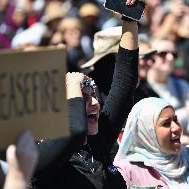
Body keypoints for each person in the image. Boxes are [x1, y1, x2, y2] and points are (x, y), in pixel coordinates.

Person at [31, 0, 139, 188]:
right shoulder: (40, 157)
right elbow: (74, 131)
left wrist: (129, 18)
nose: (96, 103)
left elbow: (124, 84)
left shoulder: (98, 143)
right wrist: (72, 83)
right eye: (84, 98)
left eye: (94, 95)